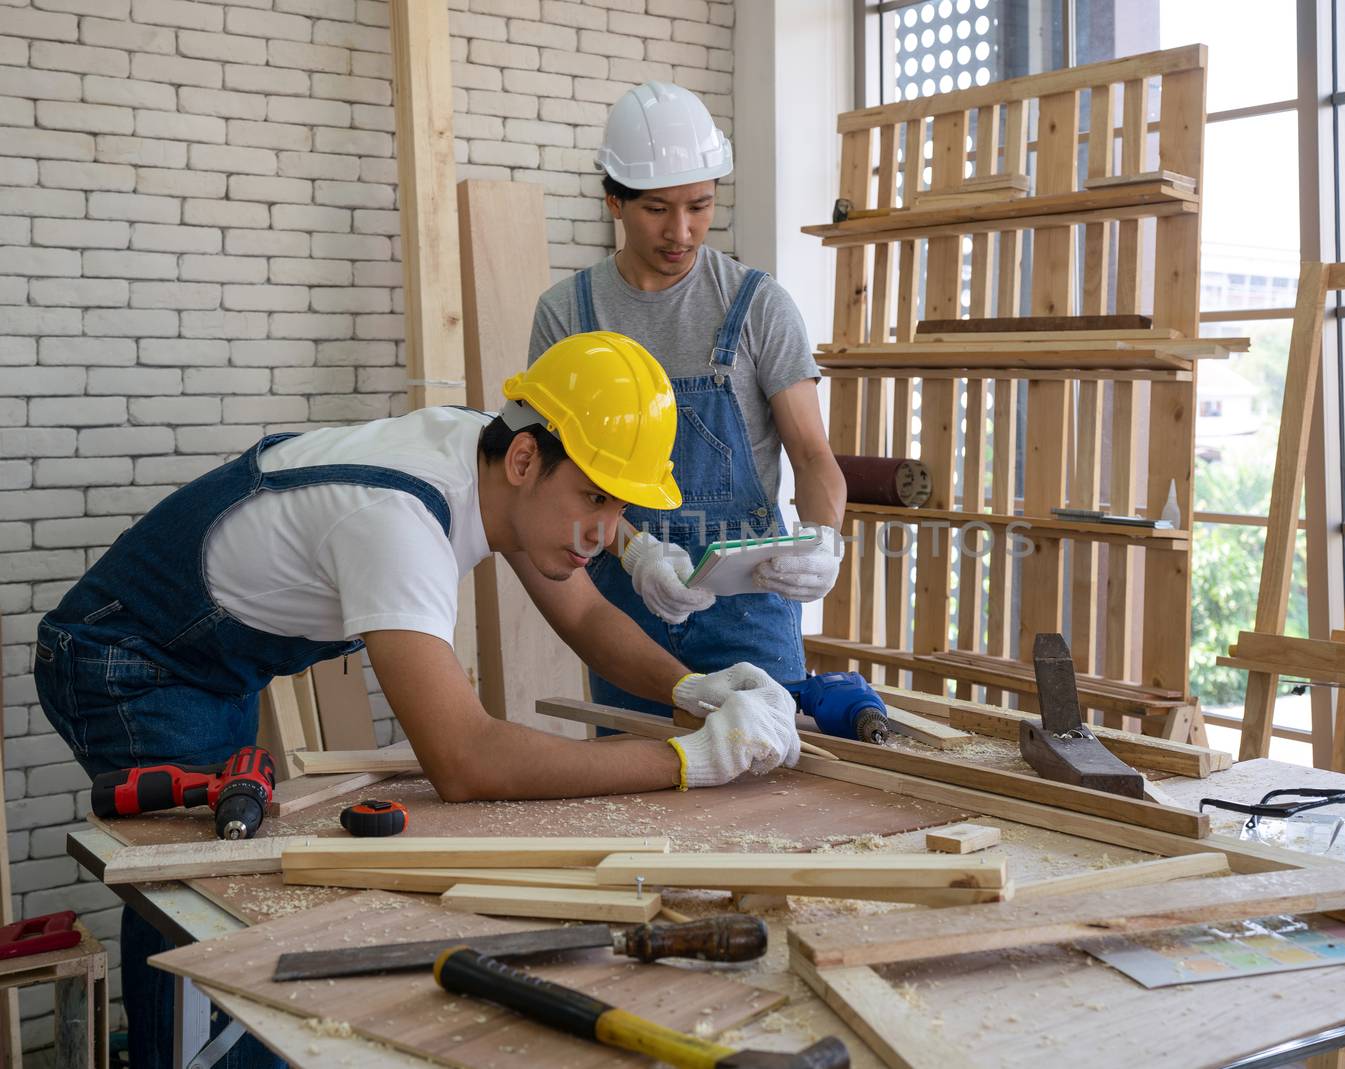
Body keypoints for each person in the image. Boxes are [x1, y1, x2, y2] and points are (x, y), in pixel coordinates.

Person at [34, 331, 800, 1068]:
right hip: (125, 658)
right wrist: (690, 760)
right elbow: (463, 759)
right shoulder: (399, 520)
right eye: (596, 497)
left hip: (208, 661)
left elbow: (591, 619)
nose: (605, 531)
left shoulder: (495, 458)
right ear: (529, 458)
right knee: (199, 900)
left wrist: (689, 687)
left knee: (217, 896)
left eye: (620, 508)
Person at [532, 81, 847, 718]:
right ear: (613, 201)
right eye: (657, 209)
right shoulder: (567, 314)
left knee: (769, 796)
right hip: (626, 604)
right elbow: (555, 477)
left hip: (751, 608)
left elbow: (812, 455)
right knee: (634, 790)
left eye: (700, 207)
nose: (682, 231)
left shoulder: (756, 303)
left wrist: (823, 539)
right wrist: (638, 552)